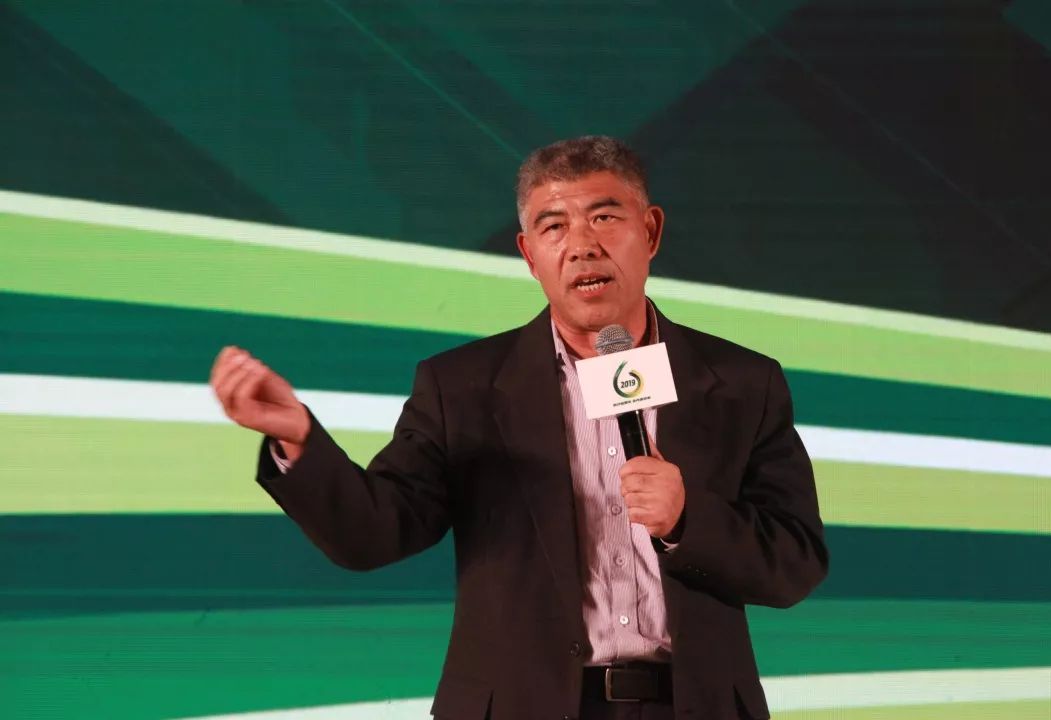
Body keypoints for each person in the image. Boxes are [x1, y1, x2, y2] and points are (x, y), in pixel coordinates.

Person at [210, 136, 828, 720]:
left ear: (651, 231)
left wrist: (688, 521)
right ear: (530, 255)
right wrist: (300, 439)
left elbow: (794, 564)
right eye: (554, 226)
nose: (581, 245)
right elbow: (372, 535)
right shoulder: (462, 388)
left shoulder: (742, 383)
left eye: (604, 217)